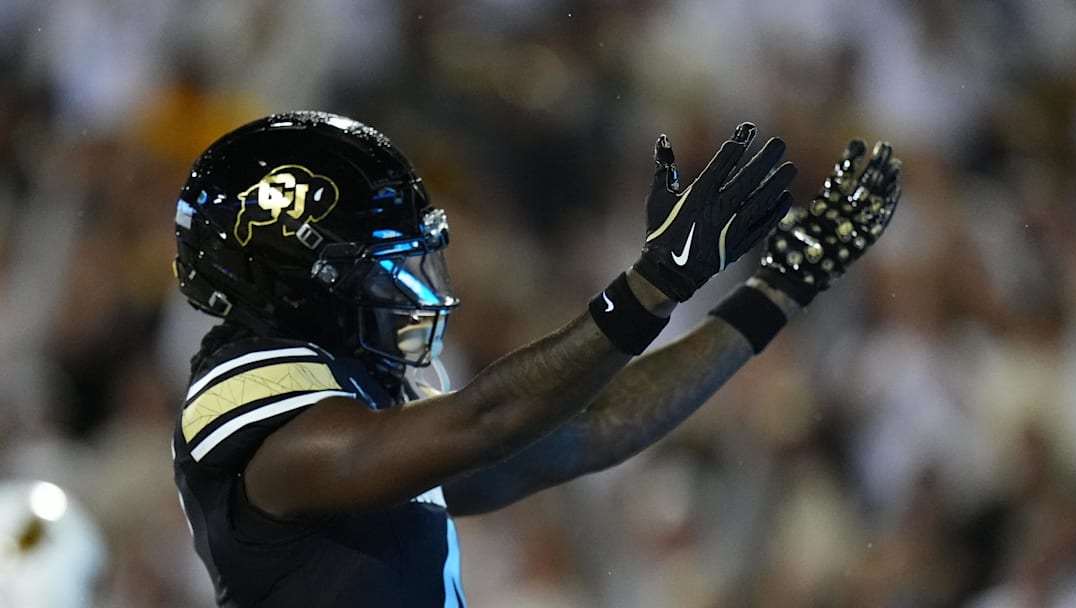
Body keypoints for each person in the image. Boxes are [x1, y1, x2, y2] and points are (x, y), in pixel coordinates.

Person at [171, 111, 900, 607]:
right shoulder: (241, 399)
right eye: (381, 265)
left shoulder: (359, 394)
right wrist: (652, 286)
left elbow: (596, 424)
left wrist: (778, 291)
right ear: (294, 278)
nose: (410, 285)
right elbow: (484, 421)